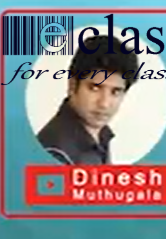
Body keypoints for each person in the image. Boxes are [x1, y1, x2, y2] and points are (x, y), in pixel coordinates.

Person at [35, 34, 138, 166]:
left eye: (115, 92)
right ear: (72, 86)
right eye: (95, 88)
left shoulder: (100, 134)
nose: (104, 104)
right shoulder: (55, 151)